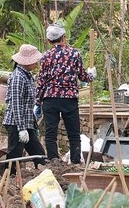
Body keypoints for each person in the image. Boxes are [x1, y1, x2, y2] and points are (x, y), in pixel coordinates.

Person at [35, 23, 96, 165]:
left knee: (51, 133)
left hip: (50, 99)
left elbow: (41, 81)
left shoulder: (45, 57)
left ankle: (53, 159)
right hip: (69, 99)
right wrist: (91, 74)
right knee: (74, 133)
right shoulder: (74, 54)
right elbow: (83, 76)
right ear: (63, 37)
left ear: (50, 40)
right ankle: (75, 161)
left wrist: (37, 102)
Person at [2, 44, 46, 175]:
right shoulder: (18, 77)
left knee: (38, 153)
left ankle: (43, 173)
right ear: (27, 61)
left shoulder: (27, 75)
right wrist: (21, 128)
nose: (36, 63)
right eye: (34, 60)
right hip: (16, 123)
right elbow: (16, 104)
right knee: (15, 154)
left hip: (27, 123)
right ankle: (7, 178)